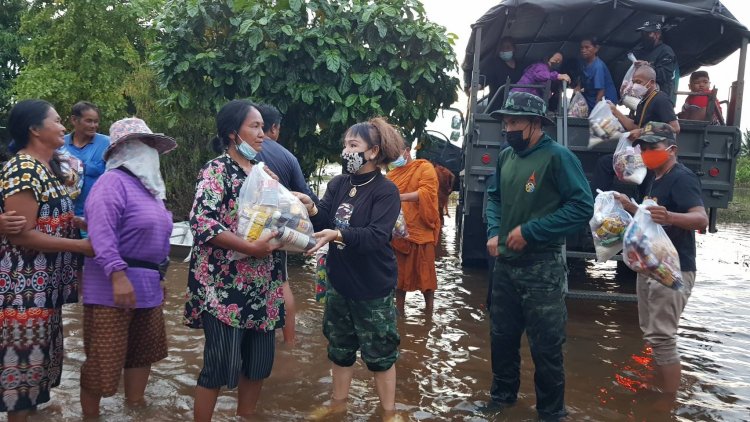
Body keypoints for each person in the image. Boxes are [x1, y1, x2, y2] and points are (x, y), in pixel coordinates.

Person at [485, 92, 594, 421]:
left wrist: (531, 231)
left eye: (515, 122)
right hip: (505, 265)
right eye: (505, 122)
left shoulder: (558, 157)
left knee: (546, 345)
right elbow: (494, 198)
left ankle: (551, 412)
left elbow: (581, 207)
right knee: (501, 337)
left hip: (542, 267)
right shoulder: (506, 157)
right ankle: (502, 400)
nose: (508, 128)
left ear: (535, 123)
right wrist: (493, 231)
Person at [294, 117, 402, 421]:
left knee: (380, 355)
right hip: (340, 283)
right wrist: (311, 206)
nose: (346, 151)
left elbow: (377, 236)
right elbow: (326, 220)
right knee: (340, 348)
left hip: (372, 286)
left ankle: (389, 413)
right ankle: (338, 405)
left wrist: (339, 235)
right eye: (345, 145)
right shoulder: (339, 183)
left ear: (372, 151)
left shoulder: (385, 191)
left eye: (353, 145)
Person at [184, 100, 283, 421]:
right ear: (231, 133)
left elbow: (278, 221)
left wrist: (300, 210)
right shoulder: (217, 170)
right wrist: (249, 247)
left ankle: (246, 417)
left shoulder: (264, 174)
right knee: (218, 366)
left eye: (262, 127)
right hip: (222, 288)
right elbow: (201, 221)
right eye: (254, 127)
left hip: (263, 287)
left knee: (258, 366)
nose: (262, 134)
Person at [0, 99, 93, 422]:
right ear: (35, 129)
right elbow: (21, 235)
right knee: (22, 381)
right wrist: (80, 247)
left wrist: (77, 224)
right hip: (22, 291)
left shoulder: (47, 167)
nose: (64, 126)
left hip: (42, 291)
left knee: (35, 374)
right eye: (56, 121)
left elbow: (47, 217)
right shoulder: (24, 168)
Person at [78, 117, 176, 417]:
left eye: (151, 145)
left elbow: (159, 239)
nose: (150, 151)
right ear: (126, 149)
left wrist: (160, 276)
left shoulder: (151, 191)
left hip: (147, 286)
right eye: (143, 144)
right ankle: (90, 417)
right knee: (102, 362)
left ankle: (135, 409)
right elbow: (101, 232)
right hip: (111, 286)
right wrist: (117, 275)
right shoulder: (112, 182)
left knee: (141, 355)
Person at [613, 122, 707, 403]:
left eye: (653, 147)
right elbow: (650, 214)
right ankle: (656, 388)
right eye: (644, 147)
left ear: (671, 149)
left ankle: (667, 404)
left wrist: (671, 218)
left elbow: (700, 218)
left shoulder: (682, 178)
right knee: (651, 333)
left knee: (663, 336)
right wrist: (631, 207)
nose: (646, 153)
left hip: (674, 269)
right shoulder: (656, 177)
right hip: (651, 266)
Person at [255, 103, 320, 346]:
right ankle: (289, 342)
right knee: (281, 283)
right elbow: (306, 197)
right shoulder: (287, 156)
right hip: (275, 230)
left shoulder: (238, 153)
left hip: (242, 229)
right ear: (274, 128)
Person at [592, 64, 680, 192]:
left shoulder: (661, 99)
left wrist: (642, 132)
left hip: (655, 153)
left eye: (638, 82)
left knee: (607, 164)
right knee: (606, 163)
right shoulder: (643, 102)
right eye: (633, 82)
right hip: (641, 152)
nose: (634, 86)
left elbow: (674, 127)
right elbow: (634, 126)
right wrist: (614, 111)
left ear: (651, 83)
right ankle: (599, 202)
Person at [387, 142, 440, 315]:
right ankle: (400, 313)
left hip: (422, 230)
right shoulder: (390, 175)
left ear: (407, 151)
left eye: (397, 153)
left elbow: (427, 193)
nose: (394, 158)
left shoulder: (425, 168)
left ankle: (429, 313)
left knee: (427, 277)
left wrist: (399, 197)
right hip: (400, 231)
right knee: (399, 278)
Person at [63, 101, 110, 217]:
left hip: (95, 216)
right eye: (89, 121)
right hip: (64, 215)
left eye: (96, 121)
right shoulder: (60, 144)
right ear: (74, 120)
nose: (94, 125)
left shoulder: (107, 143)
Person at [467, 37, 526, 110]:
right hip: (497, 109)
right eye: (502, 48)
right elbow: (485, 76)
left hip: (518, 109)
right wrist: (476, 86)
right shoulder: (494, 64)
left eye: (508, 47)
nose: (504, 50)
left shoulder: (521, 66)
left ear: (514, 49)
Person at [632, 20, 678, 102]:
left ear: (657, 34)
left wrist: (647, 66)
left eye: (648, 33)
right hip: (640, 98)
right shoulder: (639, 50)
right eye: (643, 33)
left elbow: (665, 75)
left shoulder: (666, 51)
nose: (644, 36)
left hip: (660, 98)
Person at [577, 38, 619, 110]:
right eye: (582, 48)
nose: (583, 50)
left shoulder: (598, 66)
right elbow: (583, 78)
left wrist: (596, 110)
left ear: (596, 49)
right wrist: (578, 87)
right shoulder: (584, 63)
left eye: (587, 47)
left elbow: (601, 91)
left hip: (604, 102)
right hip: (591, 98)